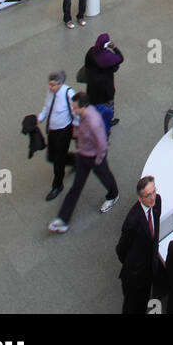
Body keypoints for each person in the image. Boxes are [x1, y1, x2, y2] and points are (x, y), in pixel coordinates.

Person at [48, 92, 119, 231]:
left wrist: (98, 160)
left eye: (75, 108)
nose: (73, 110)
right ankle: (63, 219)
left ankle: (113, 195)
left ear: (83, 107)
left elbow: (102, 143)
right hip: (83, 155)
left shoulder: (93, 121)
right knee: (76, 187)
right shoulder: (83, 116)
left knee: (105, 177)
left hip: (94, 157)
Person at [116, 176, 165, 315]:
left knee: (144, 302)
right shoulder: (132, 221)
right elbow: (121, 250)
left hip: (149, 267)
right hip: (135, 275)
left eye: (154, 192)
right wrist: (134, 265)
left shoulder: (157, 201)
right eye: (148, 195)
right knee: (132, 307)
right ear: (139, 198)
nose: (152, 198)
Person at [37, 70, 76, 203]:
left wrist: (76, 129)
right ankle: (75, 160)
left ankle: (57, 185)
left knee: (57, 159)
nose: (50, 87)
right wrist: (40, 118)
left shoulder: (69, 93)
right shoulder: (50, 93)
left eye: (53, 85)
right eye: (49, 84)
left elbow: (75, 112)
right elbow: (47, 108)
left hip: (64, 131)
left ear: (61, 84)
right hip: (53, 130)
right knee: (52, 156)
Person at [83, 33, 124, 125]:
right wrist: (114, 48)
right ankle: (109, 119)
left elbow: (87, 64)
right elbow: (120, 58)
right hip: (106, 86)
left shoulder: (91, 51)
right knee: (108, 104)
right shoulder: (107, 57)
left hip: (92, 84)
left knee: (94, 102)